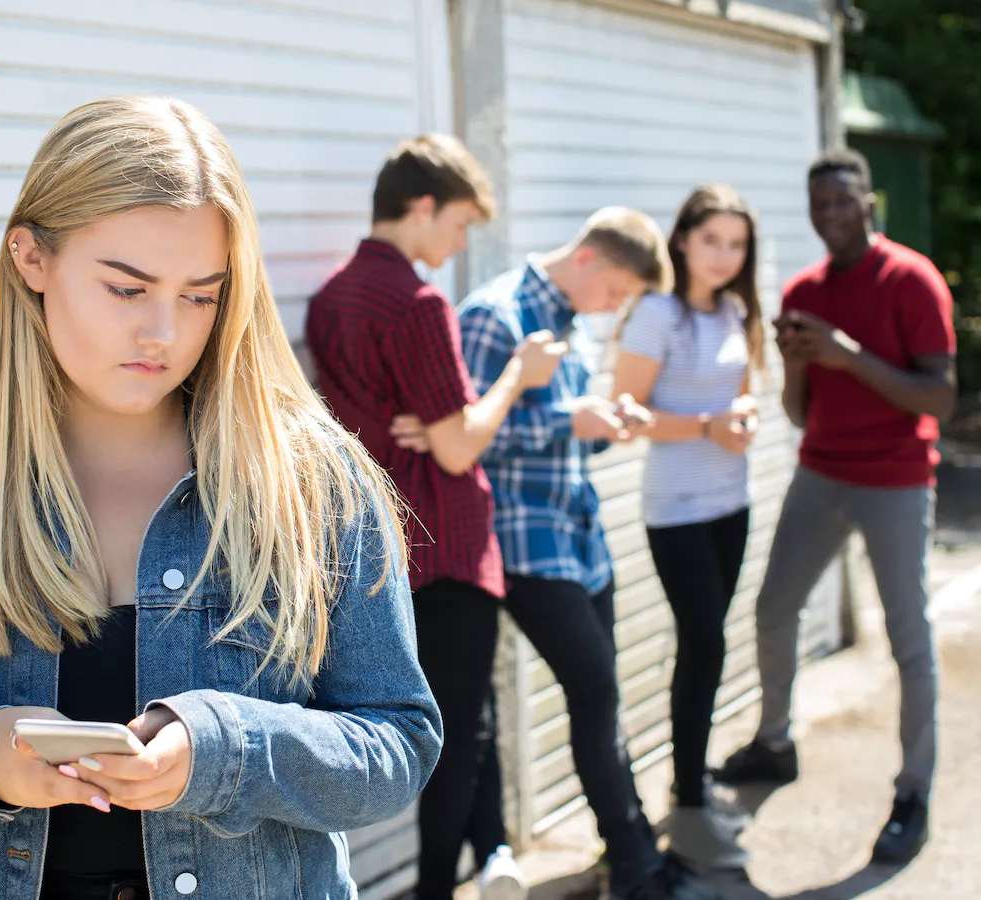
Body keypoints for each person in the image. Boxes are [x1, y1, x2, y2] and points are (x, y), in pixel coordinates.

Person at [0, 95, 442, 900]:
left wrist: (223, 749)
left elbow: (398, 745)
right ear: (30, 259)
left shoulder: (316, 482)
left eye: (201, 295)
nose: (164, 331)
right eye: (127, 289)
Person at [398, 208, 725, 900]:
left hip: (578, 538)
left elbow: (557, 433)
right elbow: (463, 441)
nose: (612, 311)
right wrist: (565, 419)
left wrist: (604, 423)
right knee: (596, 688)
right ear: (588, 261)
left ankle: (630, 852)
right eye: (614, 294)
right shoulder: (493, 316)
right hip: (520, 543)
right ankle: (637, 866)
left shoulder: (570, 324)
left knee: (601, 699)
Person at [306, 133, 562, 900]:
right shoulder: (418, 304)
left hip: (374, 540)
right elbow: (457, 448)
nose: (458, 245)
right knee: (453, 730)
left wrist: (420, 423)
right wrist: (518, 375)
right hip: (444, 541)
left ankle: (494, 856)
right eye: (457, 225)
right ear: (421, 208)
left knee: (456, 716)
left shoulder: (329, 300)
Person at [714, 149, 956, 865]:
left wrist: (851, 355)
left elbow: (938, 397)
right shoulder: (804, 289)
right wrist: (796, 364)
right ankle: (775, 741)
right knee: (773, 608)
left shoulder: (912, 279)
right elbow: (798, 411)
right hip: (820, 474)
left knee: (909, 640)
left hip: (896, 480)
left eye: (844, 202)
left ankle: (913, 791)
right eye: (821, 205)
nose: (832, 216)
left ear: (869, 202)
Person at [611, 184, 765, 870]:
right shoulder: (656, 313)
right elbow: (627, 412)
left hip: (732, 503)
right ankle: (689, 804)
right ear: (682, 241)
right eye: (712, 241)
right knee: (701, 645)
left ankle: (692, 788)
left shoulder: (735, 308)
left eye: (736, 244)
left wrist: (745, 419)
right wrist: (707, 426)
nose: (724, 256)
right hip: (676, 510)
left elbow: (742, 393)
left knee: (711, 648)